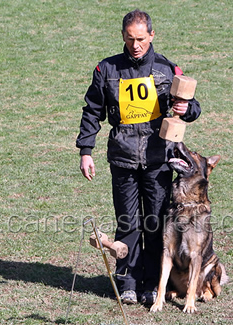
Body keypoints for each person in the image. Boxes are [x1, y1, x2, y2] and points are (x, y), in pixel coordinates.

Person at [76, 9, 201, 305]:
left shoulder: (168, 69)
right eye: (130, 39)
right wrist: (86, 150)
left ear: (152, 36)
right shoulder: (105, 69)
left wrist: (187, 109)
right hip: (122, 159)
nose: (136, 45)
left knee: (155, 222)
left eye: (141, 39)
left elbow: (193, 106)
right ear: (122, 36)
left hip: (158, 161)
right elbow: (92, 110)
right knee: (127, 221)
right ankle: (128, 281)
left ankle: (151, 283)